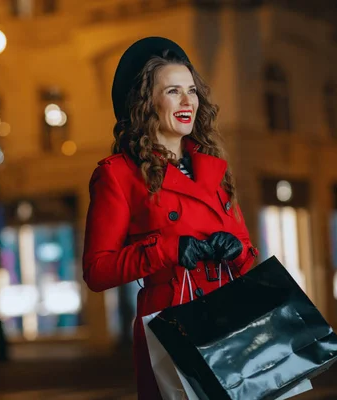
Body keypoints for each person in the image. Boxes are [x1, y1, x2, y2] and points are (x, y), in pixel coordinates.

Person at [82, 37, 258, 399]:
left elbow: (246, 252)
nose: (187, 101)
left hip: (230, 319)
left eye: (191, 91)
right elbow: (97, 270)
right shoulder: (118, 174)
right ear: (147, 103)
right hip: (172, 320)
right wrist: (167, 249)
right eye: (173, 91)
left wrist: (236, 250)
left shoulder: (214, 168)